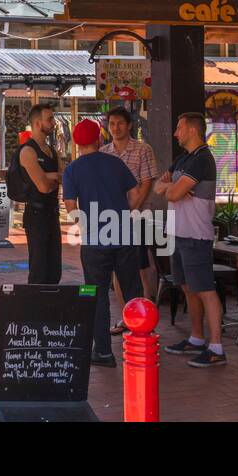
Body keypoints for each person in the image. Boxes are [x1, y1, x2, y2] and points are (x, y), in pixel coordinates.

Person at [63, 119, 144, 367]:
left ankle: (104, 352)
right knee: (132, 290)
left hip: (95, 241)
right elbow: (134, 193)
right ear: (99, 139)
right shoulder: (115, 163)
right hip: (125, 236)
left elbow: (70, 207)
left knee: (96, 296)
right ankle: (141, 344)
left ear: (77, 143)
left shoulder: (72, 170)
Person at [155, 112, 226, 368]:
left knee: (205, 289)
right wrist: (171, 188)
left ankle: (216, 347)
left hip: (196, 235)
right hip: (178, 233)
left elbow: (172, 193)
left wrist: (171, 189)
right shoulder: (183, 159)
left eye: (179, 128)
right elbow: (159, 187)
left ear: (193, 130)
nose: (175, 133)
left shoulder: (202, 160)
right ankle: (196, 338)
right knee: (187, 288)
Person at [101, 107, 159, 309]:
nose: (115, 128)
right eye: (112, 124)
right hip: (112, 218)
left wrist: (130, 210)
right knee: (117, 268)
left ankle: (145, 314)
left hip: (139, 216)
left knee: (141, 265)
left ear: (130, 125)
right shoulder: (103, 152)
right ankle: (128, 316)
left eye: (120, 123)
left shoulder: (143, 149)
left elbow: (147, 184)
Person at [19, 103, 62, 285]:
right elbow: (44, 187)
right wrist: (50, 179)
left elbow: (62, 176)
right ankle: (35, 311)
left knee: (54, 269)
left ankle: (51, 310)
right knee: (39, 269)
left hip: (53, 213)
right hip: (36, 215)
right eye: (50, 119)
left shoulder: (53, 151)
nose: (54, 123)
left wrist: (48, 177)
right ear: (37, 123)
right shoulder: (28, 151)